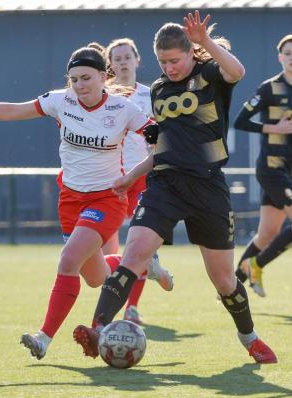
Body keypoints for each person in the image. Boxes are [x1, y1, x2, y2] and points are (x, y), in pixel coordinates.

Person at [73, 10, 278, 364]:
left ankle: (250, 337)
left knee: (223, 279)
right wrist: (131, 174)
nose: (168, 68)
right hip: (164, 184)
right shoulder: (158, 89)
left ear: (189, 52)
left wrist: (206, 43)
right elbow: (164, 145)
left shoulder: (211, 75)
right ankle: (98, 329)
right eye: (162, 62)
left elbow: (238, 72)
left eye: (174, 60)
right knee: (133, 255)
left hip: (207, 188)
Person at [0, 44, 172, 361]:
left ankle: (43, 337)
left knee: (68, 259)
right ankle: (137, 263)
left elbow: (154, 133)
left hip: (107, 199)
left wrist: (155, 134)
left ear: (103, 75)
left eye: (86, 77)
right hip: (70, 200)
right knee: (96, 277)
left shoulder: (121, 109)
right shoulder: (61, 101)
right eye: (74, 79)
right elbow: (18, 109)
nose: (80, 85)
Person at [233, 34, 292, 297]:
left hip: (289, 170)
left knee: (266, 233)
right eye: (287, 52)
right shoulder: (269, 88)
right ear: (280, 57)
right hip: (270, 168)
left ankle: (231, 287)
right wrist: (272, 127)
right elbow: (240, 121)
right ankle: (256, 265)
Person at [101, 37, 170, 325]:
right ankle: (110, 307)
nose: (122, 62)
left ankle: (132, 307)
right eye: (116, 58)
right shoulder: (101, 96)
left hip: (141, 179)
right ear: (110, 64)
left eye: (127, 56)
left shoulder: (151, 95)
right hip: (106, 181)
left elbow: (162, 136)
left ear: (138, 60)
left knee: (138, 249)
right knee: (108, 254)